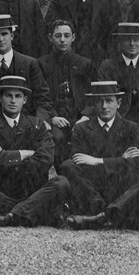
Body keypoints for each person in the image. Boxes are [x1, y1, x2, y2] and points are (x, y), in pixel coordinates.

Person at [0, 76, 71, 228]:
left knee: (61, 182)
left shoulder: (36, 124)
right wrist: (26, 153)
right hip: (1, 190)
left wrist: (5, 155)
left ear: (24, 100)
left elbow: (46, 158)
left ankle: (9, 217)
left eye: (18, 96)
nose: (13, 101)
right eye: (8, 96)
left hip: (31, 189)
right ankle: (31, 211)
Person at [60, 82, 139, 230]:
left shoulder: (131, 127)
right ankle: (108, 211)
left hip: (121, 188)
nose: (104, 106)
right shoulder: (82, 128)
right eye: (100, 101)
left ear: (118, 103)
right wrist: (122, 160)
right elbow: (78, 160)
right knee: (67, 165)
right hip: (93, 189)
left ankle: (105, 215)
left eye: (109, 101)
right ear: (93, 104)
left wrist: (97, 161)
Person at [0, 15, 51, 124]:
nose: (0, 39)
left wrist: (41, 120)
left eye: (4, 34)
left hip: (25, 123)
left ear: (12, 35)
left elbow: (43, 96)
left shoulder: (29, 64)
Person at [97, 22, 139, 149]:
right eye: (127, 40)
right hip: (119, 119)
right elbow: (104, 96)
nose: (132, 44)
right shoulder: (108, 66)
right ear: (120, 42)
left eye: (136, 39)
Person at [37, 20, 94, 167]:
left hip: (80, 117)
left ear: (73, 37)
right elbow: (40, 96)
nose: (62, 40)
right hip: (55, 119)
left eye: (66, 35)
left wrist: (85, 116)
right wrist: (53, 116)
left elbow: (93, 95)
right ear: (50, 37)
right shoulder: (41, 64)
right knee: (57, 137)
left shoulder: (84, 63)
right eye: (58, 35)